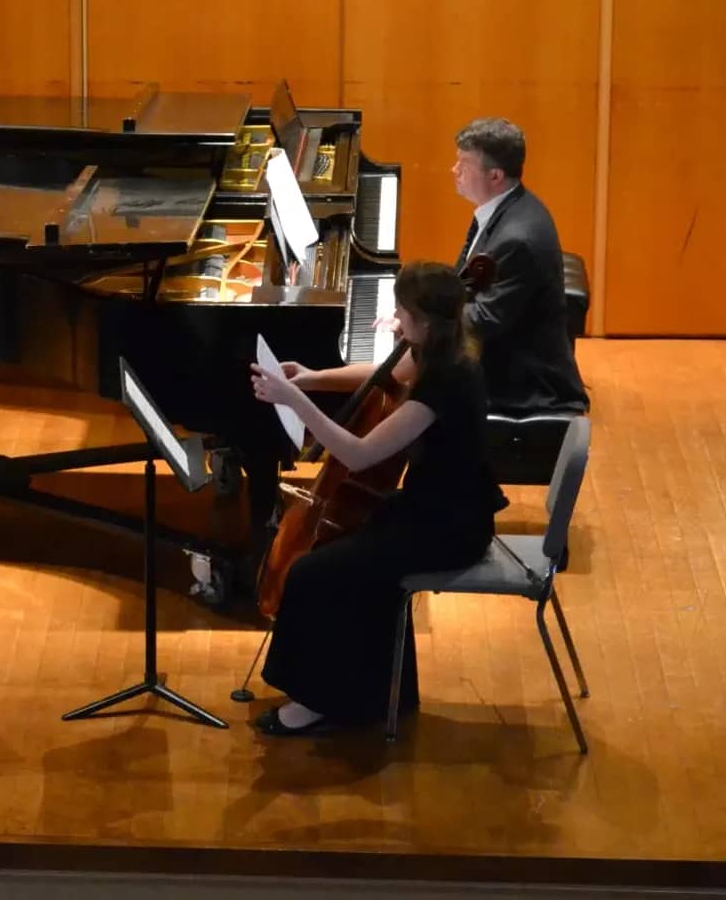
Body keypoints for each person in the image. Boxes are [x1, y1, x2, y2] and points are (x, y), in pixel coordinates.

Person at [246, 262, 507, 735]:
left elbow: (359, 454)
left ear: (424, 321)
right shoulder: (443, 353)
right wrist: (311, 378)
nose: (396, 318)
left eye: (402, 312)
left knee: (313, 571)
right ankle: (382, 693)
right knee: (352, 562)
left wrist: (292, 400)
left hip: (450, 527)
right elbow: (386, 375)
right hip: (434, 507)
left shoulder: (443, 383)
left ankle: (315, 702)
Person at [448, 118, 588, 416]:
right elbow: (463, 280)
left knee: (424, 398)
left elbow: (485, 318)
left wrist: (421, 321)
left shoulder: (517, 239)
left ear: (495, 175)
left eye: (464, 164)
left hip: (522, 386)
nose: (454, 171)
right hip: (505, 356)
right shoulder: (501, 209)